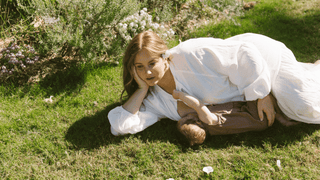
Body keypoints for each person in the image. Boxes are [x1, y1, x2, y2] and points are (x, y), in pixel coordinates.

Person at [108, 31, 320, 136]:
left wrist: (262, 94)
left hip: (262, 59)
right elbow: (120, 125)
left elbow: (244, 53)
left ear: (164, 56)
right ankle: (306, 73)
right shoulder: (155, 100)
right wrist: (142, 89)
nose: (147, 72)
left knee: (306, 108)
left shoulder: (191, 55)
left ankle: (315, 69)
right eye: (139, 67)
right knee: (294, 109)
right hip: (247, 85)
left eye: (152, 63)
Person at [175, 91, 299, 146]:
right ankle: (280, 114)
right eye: (186, 118)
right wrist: (180, 95)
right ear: (197, 122)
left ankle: (281, 119)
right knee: (256, 94)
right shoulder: (207, 119)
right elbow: (196, 105)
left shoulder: (212, 131)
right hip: (255, 114)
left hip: (258, 124)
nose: (187, 115)